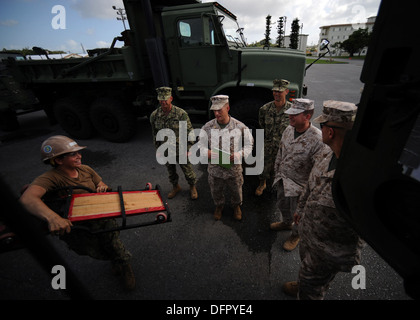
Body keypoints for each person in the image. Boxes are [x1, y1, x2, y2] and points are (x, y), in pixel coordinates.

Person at [19, 135, 135, 290]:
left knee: (114, 243)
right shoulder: (51, 178)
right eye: (73, 154)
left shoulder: (86, 169)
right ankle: (114, 260)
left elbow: (102, 184)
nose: (79, 156)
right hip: (79, 226)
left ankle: (125, 265)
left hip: (101, 216)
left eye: (78, 152)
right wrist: (52, 218)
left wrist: (102, 188)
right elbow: (27, 198)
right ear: (59, 160)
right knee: (91, 249)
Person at [282, 100, 364, 300]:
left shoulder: (358, 175)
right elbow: (311, 186)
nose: (321, 129)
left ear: (330, 132)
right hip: (310, 235)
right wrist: (300, 210)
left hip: (330, 251)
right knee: (307, 271)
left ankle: (308, 287)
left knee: (313, 290)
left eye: (323, 125)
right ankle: (305, 282)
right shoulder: (327, 153)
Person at [270, 98, 326, 252]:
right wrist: (277, 172)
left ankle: (296, 235)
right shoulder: (288, 129)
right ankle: (286, 223)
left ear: (307, 116)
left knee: (299, 215)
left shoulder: (317, 139)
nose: (290, 117)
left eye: (295, 114)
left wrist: (309, 193)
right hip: (283, 179)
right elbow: (280, 152)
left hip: (299, 187)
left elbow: (317, 173)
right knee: (282, 205)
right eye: (290, 113)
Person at [198, 95, 253, 221]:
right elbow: (200, 145)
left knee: (236, 191)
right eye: (214, 111)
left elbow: (249, 144)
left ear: (227, 108)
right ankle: (219, 206)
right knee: (216, 191)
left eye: (220, 110)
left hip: (233, 169)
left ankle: (236, 206)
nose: (216, 114)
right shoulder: (208, 127)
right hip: (215, 169)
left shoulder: (240, 127)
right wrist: (207, 152)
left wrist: (240, 154)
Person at [150, 87, 198, 200]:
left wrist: (189, 148)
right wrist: (158, 150)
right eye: (161, 100)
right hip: (166, 150)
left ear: (171, 98)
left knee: (188, 171)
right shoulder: (155, 115)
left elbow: (189, 131)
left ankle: (192, 187)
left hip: (180, 149)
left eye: (165, 99)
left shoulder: (181, 114)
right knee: (171, 172)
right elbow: (155, 134)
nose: (163, 102)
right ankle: (175, 187)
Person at [255, 79, 292, 196]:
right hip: (268, 144)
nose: (276, 94)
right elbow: (261, 125)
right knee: (263, 166)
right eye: (275, 91)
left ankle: (281, 187)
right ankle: (262, 183)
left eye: (280, 91)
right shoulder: (265, 109)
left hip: (284, 146)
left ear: (286, 91)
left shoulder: (292, 111)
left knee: (283, 168)